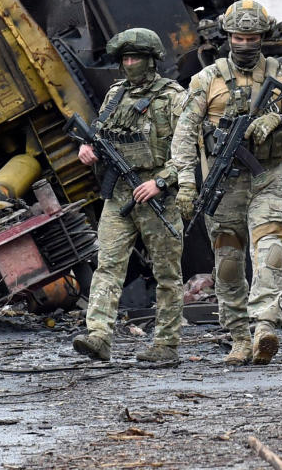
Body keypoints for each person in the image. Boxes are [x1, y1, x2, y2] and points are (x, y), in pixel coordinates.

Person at [170, 0, 282, 366]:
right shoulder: (206, 80)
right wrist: (186, 182)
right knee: (228, 264)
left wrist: (277, 121)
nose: (245, 44)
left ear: (263, 37)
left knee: (270, 253)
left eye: (252, 37)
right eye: (238, 37)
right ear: (226, 37)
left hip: (267, 179)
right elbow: (184, 135)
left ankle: (265, 324)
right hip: (224, 186)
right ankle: (238, 336)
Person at [72, 28, 185, 366]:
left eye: (135, 58)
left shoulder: (174, 98)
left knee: (166, 272)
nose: (130, 64)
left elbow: (191, 151)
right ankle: (99, 336)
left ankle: (166, 344)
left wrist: (161, 182)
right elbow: (98, 134)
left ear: (152, 60)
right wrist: (87, 150)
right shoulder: (115, 94)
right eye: (125, 59)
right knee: (107, 265)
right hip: (118, 192)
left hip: (157, 196)